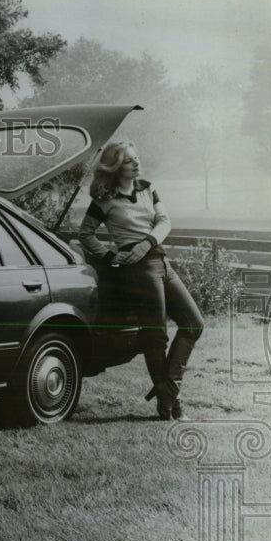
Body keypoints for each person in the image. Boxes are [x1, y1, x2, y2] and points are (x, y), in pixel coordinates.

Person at [78, 141, 204, 420]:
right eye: (129, 161)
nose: (136, 164)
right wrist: (111, 254)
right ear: (115, 167)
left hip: (159, 259)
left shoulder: (148, 187)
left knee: (194, 324)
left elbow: (165, 221)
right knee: (156, 335)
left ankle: (167, 389)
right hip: (137, 271)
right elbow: (85, 234)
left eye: (137, 159)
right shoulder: (104, 199)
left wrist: (146, 243)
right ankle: (170, 405)